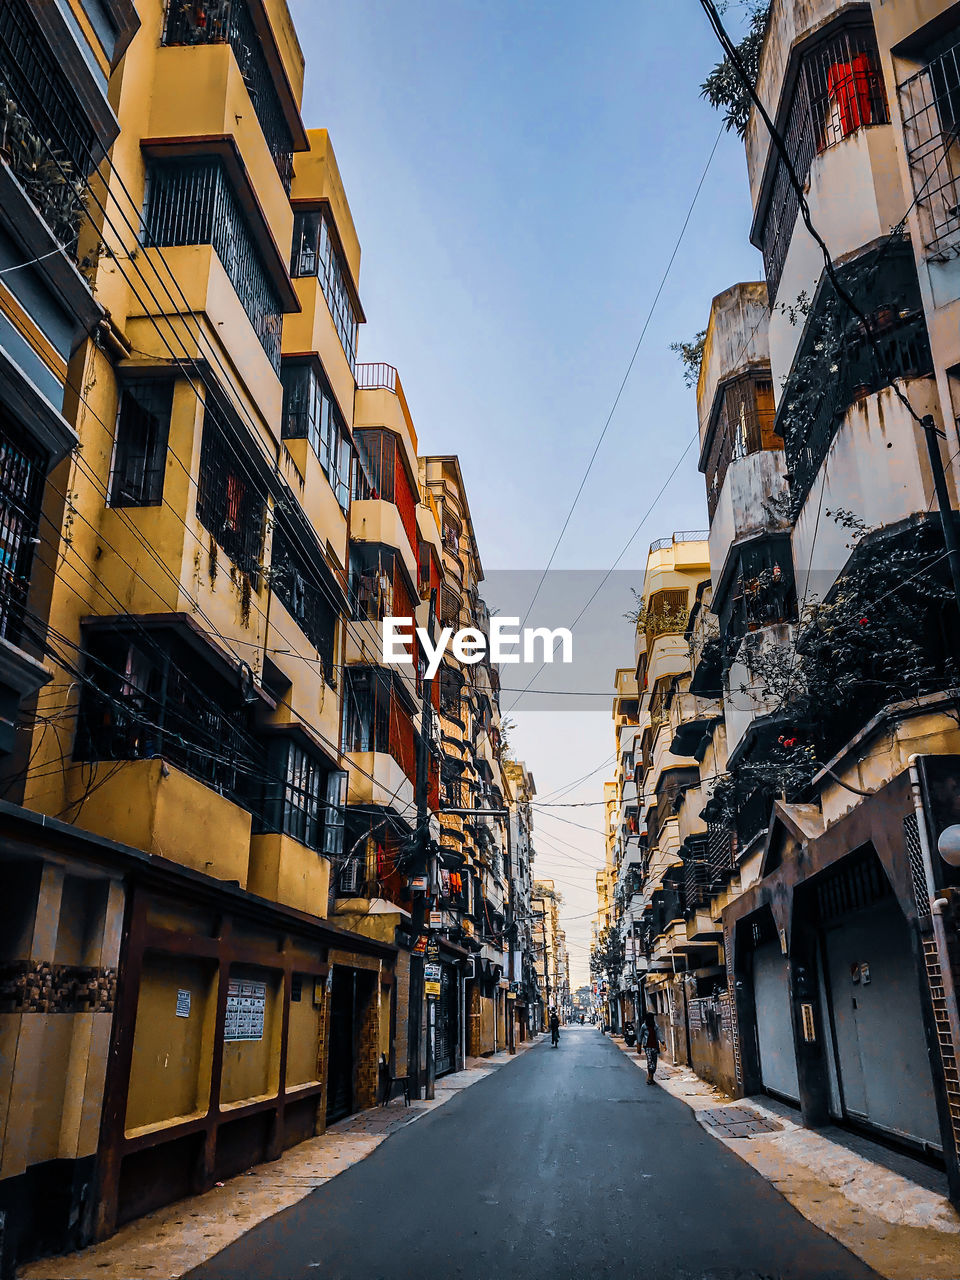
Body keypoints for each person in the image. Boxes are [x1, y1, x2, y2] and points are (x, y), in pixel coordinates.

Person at [638, 1011, 664, 1085]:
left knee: (654, 1063)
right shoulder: (644, 1026)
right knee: (650, 1062)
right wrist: (639, 1046)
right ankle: (649, 1077)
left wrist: (663, 1042)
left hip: (655, 1047)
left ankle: (651, 1077)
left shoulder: (655, 1026)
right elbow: (640, 1036)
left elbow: (659, 1035)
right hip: (647, 1047)